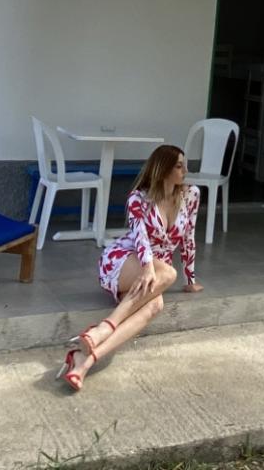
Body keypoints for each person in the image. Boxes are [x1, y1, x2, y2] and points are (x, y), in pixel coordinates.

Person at [59, 144, 204, 391]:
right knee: (168, 272)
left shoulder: (191, 195)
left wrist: (190, 278)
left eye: (184, 164)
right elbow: (139, 237)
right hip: (123, 259)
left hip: (153, 268)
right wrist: (148, 267)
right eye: (179, 166)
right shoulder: (138, 198)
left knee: (156, 304)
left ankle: (85, 361)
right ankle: (103, 328)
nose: (185, 170)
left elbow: (188, 237)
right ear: (163, 169)